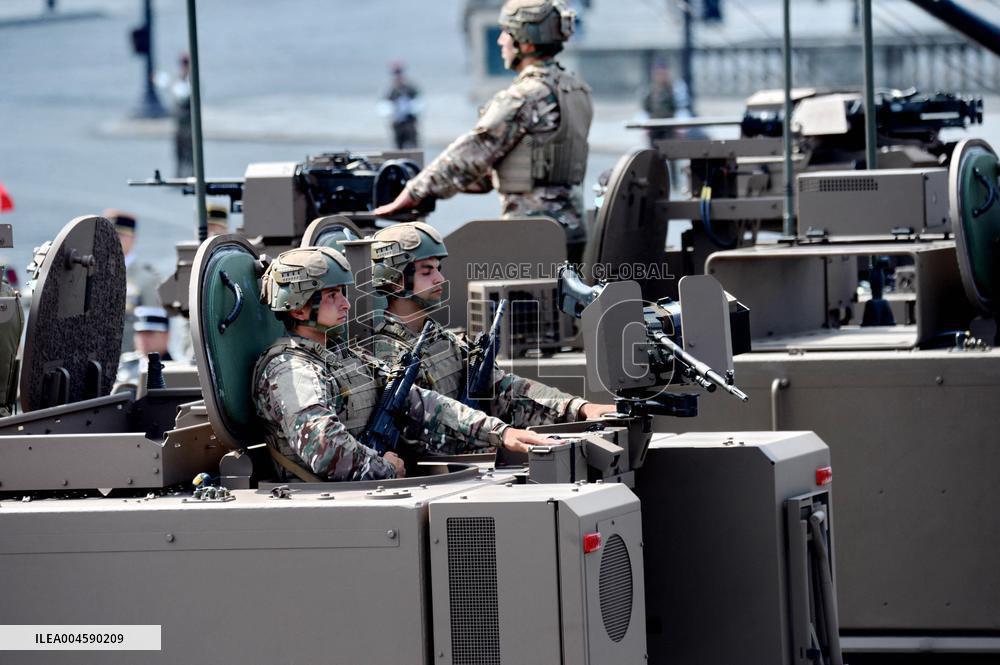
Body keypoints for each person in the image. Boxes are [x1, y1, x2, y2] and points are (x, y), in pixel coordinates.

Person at [252, 246, 553, 481]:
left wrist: (500, 433)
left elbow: (421, 402)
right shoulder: (289, 371)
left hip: (365, 491)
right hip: (327, 504)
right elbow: (324, 447)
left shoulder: (342, 356)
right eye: (332, 296)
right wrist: (385, 468)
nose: (346, 304)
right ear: (299, 309)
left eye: (343, 293)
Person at [372, 0, 593, 264]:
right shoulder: (575, 89)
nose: (500, 41)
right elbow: (525, 160)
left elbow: (473, 151)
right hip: (572, 229)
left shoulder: (525, 97)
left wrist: (414, 191)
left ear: (526, 43)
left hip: (531, 232)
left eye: (506, 33)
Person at [369, 222, 616, 428]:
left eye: (438, 269)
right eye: (426, 271)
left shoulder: (445, 342)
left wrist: (578, 408)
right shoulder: (384, 356)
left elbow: (504, 389)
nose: (440, 278)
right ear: (396, 280)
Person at [104, 209, 162, 354]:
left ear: (133, 238)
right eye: (108, 236)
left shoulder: (147, 279)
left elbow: (154, 334)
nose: (114, 241)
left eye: (120, 235)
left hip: (128, 364)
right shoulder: (91, 274)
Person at [113, 305, 173, 394]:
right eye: (140, 333)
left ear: (166, 336)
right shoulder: (124, 365)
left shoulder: (175, 369)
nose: (143, 339)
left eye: (149, 333)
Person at [155, 53, 193, 177]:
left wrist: (173, 85)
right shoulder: (178, 79)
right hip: (179, 122)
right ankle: (179, 174)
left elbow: (184, 96)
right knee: (179, 151)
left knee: (190, 150)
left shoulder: (190, 80)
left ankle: (191, 175)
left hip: (188, 123)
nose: (183, 67)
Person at [380, 61, 421, 149]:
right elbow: (385, 105)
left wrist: (412, 110)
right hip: (398, 123)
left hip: (409, 122)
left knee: (413, 145)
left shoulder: (410, 89)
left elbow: (419, 102)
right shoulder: (392, 91)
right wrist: (391, 112)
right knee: (399, 147)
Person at [641, 58, 677, 147]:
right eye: (658, 73)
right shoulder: (650, 90)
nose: (661, 76)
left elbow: (678, 108)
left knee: (669, 150)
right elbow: (646, 109)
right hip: (654, 126)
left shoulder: (673, 89)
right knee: (654, 151)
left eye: (663, 73)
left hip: (669, 127)